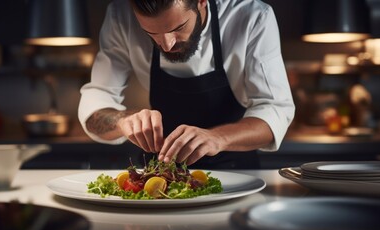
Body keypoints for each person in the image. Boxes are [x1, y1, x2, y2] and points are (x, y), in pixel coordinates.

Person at [78, 0, 295, 169]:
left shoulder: (251, 16)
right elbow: (97, 99)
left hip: (236, 171)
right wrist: (123, 122)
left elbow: (275, 109)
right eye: (151, 34)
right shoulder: (121, 17)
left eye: (178, 27)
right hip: (159, 175)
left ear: (201, 2)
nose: (167, 44)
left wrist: (217, 138)